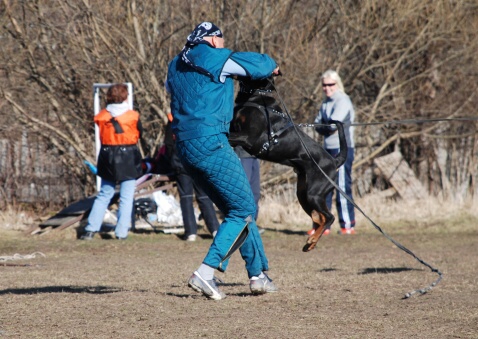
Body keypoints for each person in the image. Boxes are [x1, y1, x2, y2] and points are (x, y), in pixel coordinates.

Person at [166, 22, 280, 300]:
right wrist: (273, 67)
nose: (224, 41)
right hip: (211, 142)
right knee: (243, 208)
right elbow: (258, 64)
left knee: (237, 207)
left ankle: (257, 275)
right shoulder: (216, 57)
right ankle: (205, 273)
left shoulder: (175, 64)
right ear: (213, 40)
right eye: (222, 37)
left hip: (183, 146)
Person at [80, 84, 143, 240]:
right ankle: (121, 232)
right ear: (125, 97)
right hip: (128, 155)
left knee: (104, 194)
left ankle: (91, 229)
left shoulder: (101, 116)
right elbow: (139, 133)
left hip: (107, 156)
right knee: (127, 196)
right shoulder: (133, 116)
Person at [164, 113, 220, 241]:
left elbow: (168, 142)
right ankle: (215, 229)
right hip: (199, 161)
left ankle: (191, 232)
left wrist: (172, 159)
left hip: (181, 162)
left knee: (186, 197)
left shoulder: (173, 117)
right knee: (204, 196)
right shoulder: (201, 114)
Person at [313, 69, 356, 235]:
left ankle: (347, 225)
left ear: (337, 84)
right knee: (325, 187)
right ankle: (324, 224)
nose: (327, 88)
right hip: (327, 149)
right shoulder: (325, 102)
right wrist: (325, 127)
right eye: (324, 85)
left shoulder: (343, 100)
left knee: (342, 186)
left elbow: (332, 125)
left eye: (330, 84)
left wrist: (325, 126)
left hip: (342, 149)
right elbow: (317, 124)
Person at [233, 146, 264, 234]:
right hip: (242, 155)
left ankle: (251, 224)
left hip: (254, 155)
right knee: (244, 193)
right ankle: (242, 225)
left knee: (255, 194)